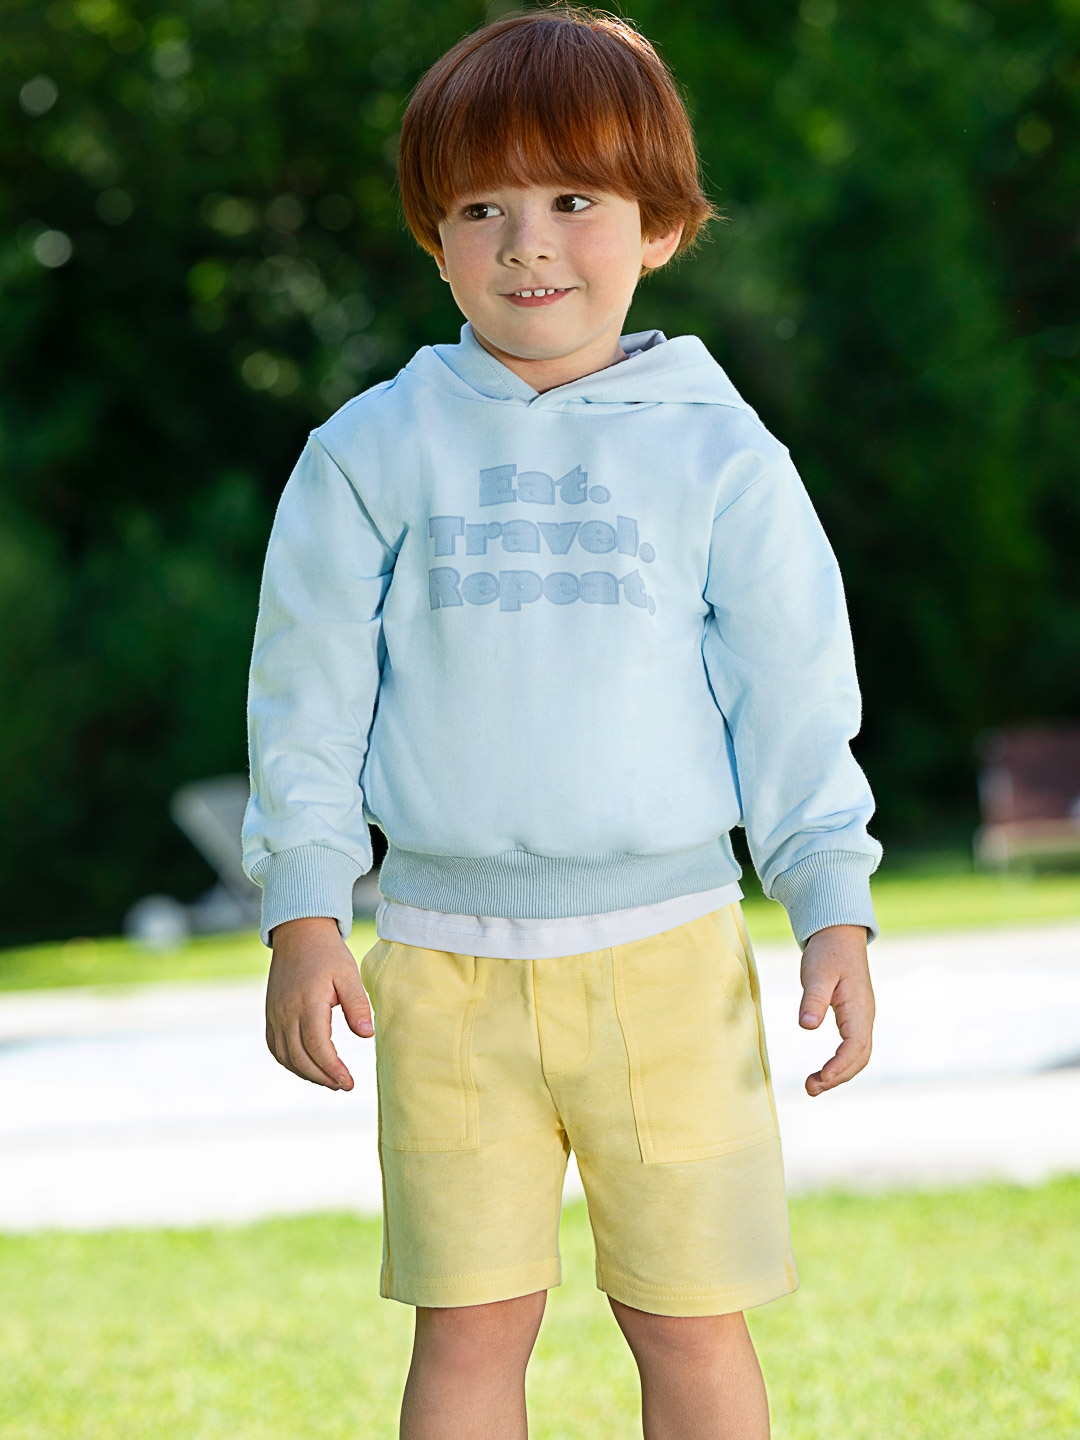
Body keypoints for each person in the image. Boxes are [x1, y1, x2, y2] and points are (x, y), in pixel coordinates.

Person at [242, 9, 881, 1437]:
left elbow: (792, 697)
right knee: (471, 1326)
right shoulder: (369, 451)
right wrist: (304, 909)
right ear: (436, 240)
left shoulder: (723, 454)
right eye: (484, 209)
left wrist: (830, 902)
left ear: (662, 225)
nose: (529, 245)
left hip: (670, 959)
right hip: (443, 968)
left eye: (576, 200)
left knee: (690, 1321)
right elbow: (306, 699)